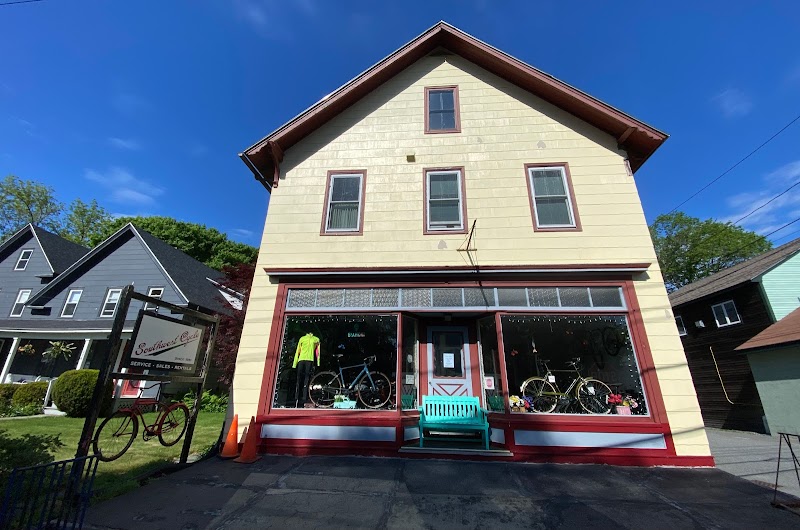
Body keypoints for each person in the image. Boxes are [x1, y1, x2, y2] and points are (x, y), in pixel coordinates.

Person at [293, 332, 320, 407]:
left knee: (307, 379)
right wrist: (294, 363)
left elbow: (317, 352)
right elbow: (298, 350)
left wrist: (318, 362)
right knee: (299, 378)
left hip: (310, 360)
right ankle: (296, 397)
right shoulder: (302, 338)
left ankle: (304, 397)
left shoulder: (316, 339)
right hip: (301, 359)